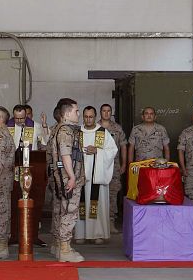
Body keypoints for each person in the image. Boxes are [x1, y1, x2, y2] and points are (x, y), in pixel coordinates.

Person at [48, 98, 85, 263]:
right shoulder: (65, 131)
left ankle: (60, 246)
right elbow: (65, 154)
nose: (78, 114)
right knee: (69, 212)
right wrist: (71, 177)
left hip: (63, 176)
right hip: (68, 178)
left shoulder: (61, 129)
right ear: (68, 113)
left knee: (63, 211)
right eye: (76, 111)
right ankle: (65, 249)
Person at [74, 106, 117, 244]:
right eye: (86, 116)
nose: (88, 119)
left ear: (95, 116)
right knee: (80, 204)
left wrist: (98, 150)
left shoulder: (102, 132)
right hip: (80, 176)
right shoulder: (77, 133)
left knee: (97, 204)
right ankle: (80, 234)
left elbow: (112, 151)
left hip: (96, 176)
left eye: (91, 117)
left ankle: (97, 234)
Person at [8, 104, 48, 247]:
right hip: (12, 168)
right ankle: (14, 235)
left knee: (33, 202)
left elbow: (44, 143)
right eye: (16, 118)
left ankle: (33, 236)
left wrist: (44, 126)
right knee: (14, 202)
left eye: (22, 118)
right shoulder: (8, 126)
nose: (19, 121)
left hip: (32, 168)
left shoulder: (35, 126)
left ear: (27, 115)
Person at [0, 107, 15, 260]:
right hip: (0, 180)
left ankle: (1, 245)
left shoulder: (0, 135)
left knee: (0, 213)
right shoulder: (2, 133)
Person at [99, 103, 126, 233]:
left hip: (114, 165)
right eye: (104, 111)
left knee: (113, 192)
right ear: (100, 113)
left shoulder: (117, 128)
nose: (106, 113)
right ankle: (98, 223)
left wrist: (124, 163)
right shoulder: (95, 127)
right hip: (98, 165)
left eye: (108, 111)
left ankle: (110, 221)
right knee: (97, 193)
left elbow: (123, 146)